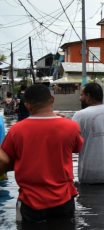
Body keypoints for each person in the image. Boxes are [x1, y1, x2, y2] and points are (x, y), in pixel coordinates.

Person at [0, 84, 83, 224]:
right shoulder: (71, 127)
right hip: (63, 200)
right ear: (52, 99)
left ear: (27, 105)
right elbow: (77, 148)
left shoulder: (16, 131)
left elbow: (5, 161)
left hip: (30, 202)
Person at [72, 82, 104, 184]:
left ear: (88, 96)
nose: (80, 98)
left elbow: (73, 146)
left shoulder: (80, 115)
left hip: (91, 178)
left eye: (82, 95)